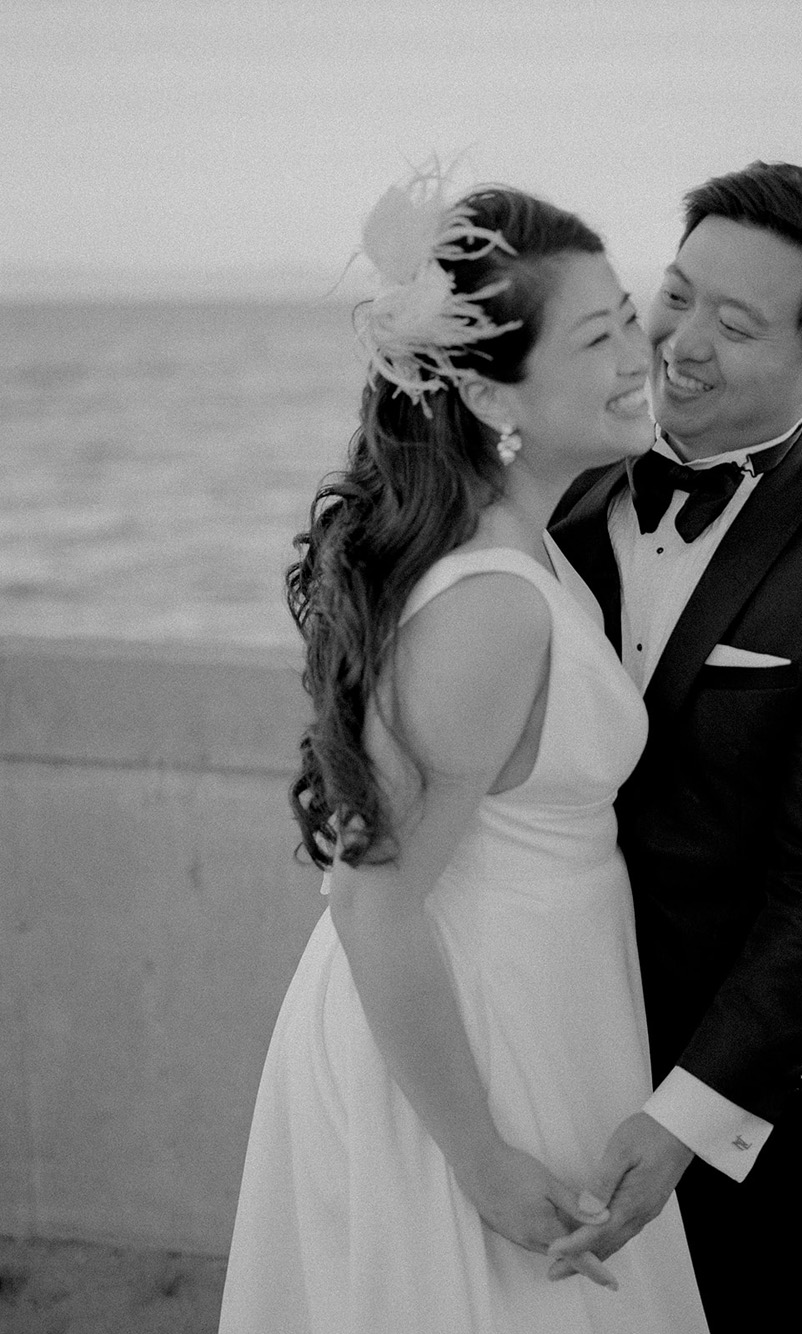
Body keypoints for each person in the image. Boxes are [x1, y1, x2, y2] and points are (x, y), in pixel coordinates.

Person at [218, 168, 708, 1334]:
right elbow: (371, 893)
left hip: (540, 1007)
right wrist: (483, 1158)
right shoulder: (490, 598)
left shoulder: (523, 549)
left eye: (626, 313)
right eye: (598, 335)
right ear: (495, 394)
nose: (640, 351)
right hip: (465, 1053)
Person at [547, 161, 802, 1333]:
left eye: (733, 324)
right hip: (550, 1049)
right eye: (671, 295)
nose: (678, 341)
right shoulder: (544, 494)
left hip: (763, 1124)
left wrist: (683, 1115)